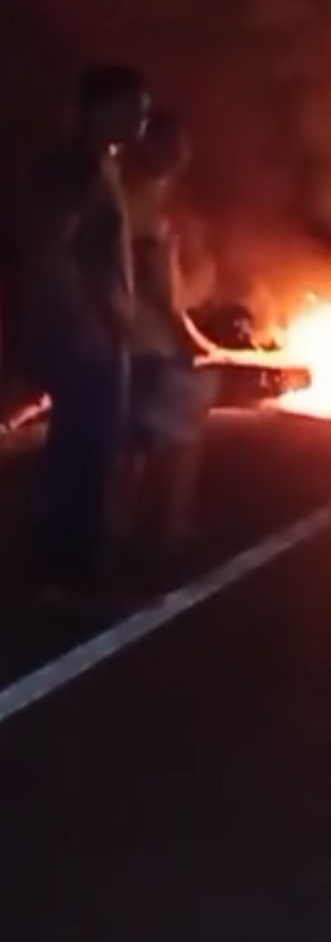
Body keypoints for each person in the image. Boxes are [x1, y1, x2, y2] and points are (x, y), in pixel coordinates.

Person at [11, 64, 149, 596]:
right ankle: (66, 571)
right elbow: (48, 249)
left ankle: (81, 561)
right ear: (99, 110)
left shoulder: (100, 166)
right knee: (82, 451)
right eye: (132, 108)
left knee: (93, 449)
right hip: (82, 339)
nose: (140, 120)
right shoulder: (75, 170)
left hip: (96, 333)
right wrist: (85, 322)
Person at [120, 110, 217, 553]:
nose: (184, 155)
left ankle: (117, 529)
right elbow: (154, 280)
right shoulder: (140, 200)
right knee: (177, 436)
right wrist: (190, 338)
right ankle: (169, 528)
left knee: (133, 437)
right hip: (150, 339)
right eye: (174, 144)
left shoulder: (132, 194)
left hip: (129, 336)